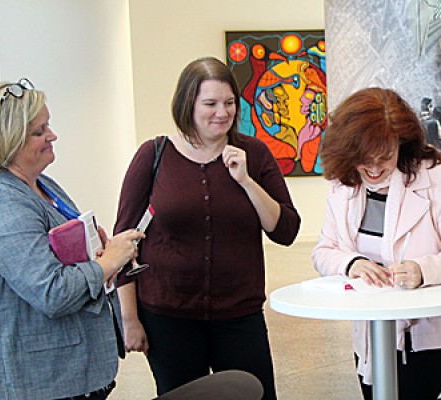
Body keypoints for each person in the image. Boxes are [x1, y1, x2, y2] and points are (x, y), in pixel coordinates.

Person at [114, 56, 301, 400]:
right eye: (211, 103)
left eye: (229, 103)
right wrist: (130, 318)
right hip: (168, 317)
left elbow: (286, 230)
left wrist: (246, 182)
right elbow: (123, 242)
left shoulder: (254, 154)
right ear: (188, 104)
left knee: (256, 394)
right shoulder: (153, 155)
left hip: (239, 314)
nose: (222, 112)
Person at [0, 79, 144, 399]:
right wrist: (111, 259)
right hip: (34, 381)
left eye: (49, 125)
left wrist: (95, 252)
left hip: (70, 372)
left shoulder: (40, 183)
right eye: (39, 131)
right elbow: (52, 291)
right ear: (8, 139)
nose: (52, 136)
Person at [311, 87, 441, 400]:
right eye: (364, 161)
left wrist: (424, 270)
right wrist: (351, 263)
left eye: (385, 158)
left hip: (432, 327)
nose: (375, 170)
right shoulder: (343, 184)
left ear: (402, 144)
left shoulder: (440, 180)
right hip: (372, 324)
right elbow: (324, 251)